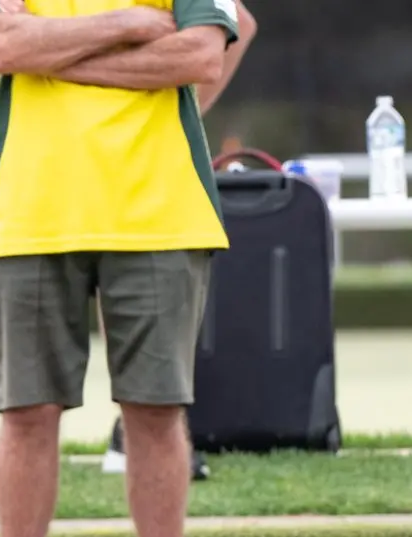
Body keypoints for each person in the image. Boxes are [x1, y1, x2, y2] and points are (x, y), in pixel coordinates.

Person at [0, 0, 240, 537]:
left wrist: (53, 50)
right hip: (29, 208)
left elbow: (199, 56)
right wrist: (130, 25)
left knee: (157, 411)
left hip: (161, 208)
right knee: (24, 412)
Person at [100, 0, 257, 480]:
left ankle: (133, 431)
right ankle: (131, 431)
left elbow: (235, 29)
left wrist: (176, 103)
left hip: (143, 158)